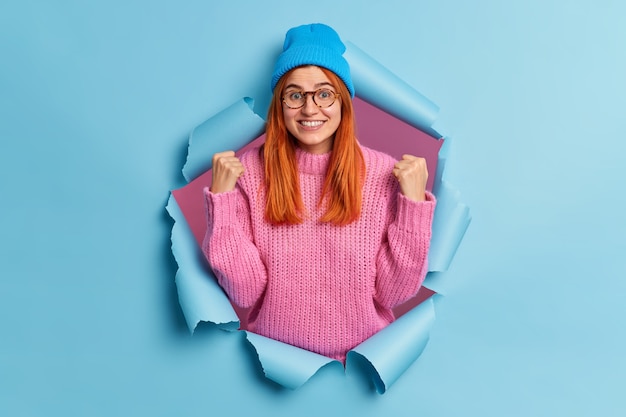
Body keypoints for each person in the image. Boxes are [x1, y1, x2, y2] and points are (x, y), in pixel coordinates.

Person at [203, 23, 436, 362]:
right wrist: (221, 202)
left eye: (324, 94)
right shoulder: (249, 172)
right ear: (280, 104)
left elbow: (394, 293)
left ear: (343, 102)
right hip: (274, 363)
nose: (310, 109)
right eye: (295, 95)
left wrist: (413, 206)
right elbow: (244, 291)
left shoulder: (384, 174)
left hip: (360, 366)